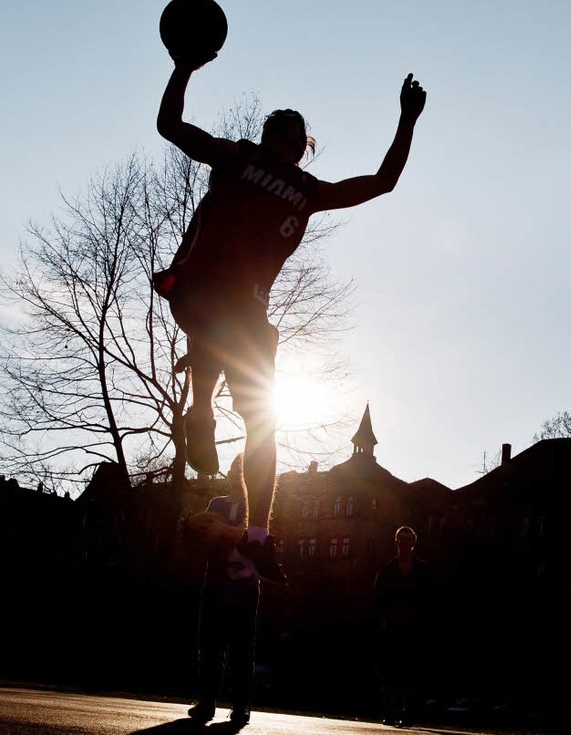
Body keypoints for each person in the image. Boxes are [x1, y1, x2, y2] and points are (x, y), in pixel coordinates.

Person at [155, 49, 426, 585]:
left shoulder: (307, 191)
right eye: (285, 130)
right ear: (273, 137)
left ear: (303, 147)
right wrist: (184, 65)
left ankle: (257, 535)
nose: (289, 139)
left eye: (295, 134)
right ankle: (204, 411)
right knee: (224, 319)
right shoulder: (236, 157)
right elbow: (170, 126)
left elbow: (381, 182)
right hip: (199, 287)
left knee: (264, 423)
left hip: (245, 313)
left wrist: (406, 122)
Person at [185, 454, 260, 729]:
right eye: (232, 468)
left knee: (242, 646)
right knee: (210, 644)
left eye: (241, 470)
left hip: (245, 585)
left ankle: (241, 706)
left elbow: (250, 536)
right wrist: (193, 531)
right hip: (215, 580)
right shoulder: (216, 504)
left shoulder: (255, 507)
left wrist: (222, 530)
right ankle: (207, 701)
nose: (235, 473)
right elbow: (205, 539)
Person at [373, 525, 432, 727]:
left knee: (410, 673)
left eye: (408, 539)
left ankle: (407, 712)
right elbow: (377, 598)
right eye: (401, 539)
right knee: (390, 672)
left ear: (414, 543)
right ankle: (389, 711)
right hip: (391, 629)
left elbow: (430, 600)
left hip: (414, 630)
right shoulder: (387, 570)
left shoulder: (422, 571)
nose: (405, 543)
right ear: (396, 542)